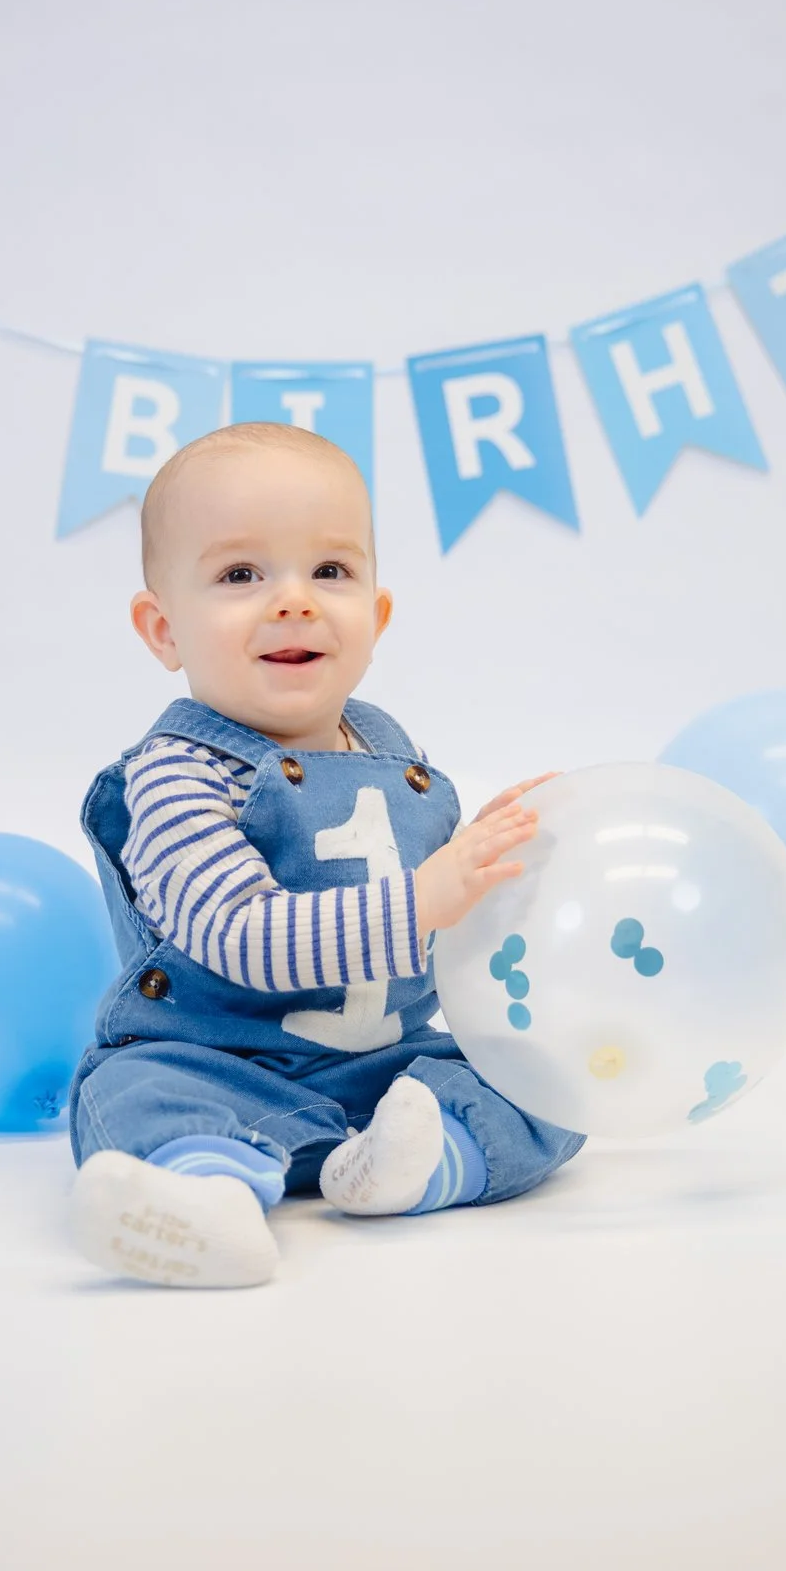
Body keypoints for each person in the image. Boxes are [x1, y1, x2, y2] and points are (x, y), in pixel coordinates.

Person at [68, 421, 583, 1287]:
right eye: (241, 574)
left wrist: (489, 863)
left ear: (376, 618)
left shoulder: (387, 745)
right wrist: (427, 895)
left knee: (545, 1082)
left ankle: (413, 1166)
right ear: (163, 630)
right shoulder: (173, 778)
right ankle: (206, 1204)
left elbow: (432, 922)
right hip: (216, 1063)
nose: (295, 600)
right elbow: (240, 932)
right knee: (134, 1098)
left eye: (331, 571)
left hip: (382, 1066)